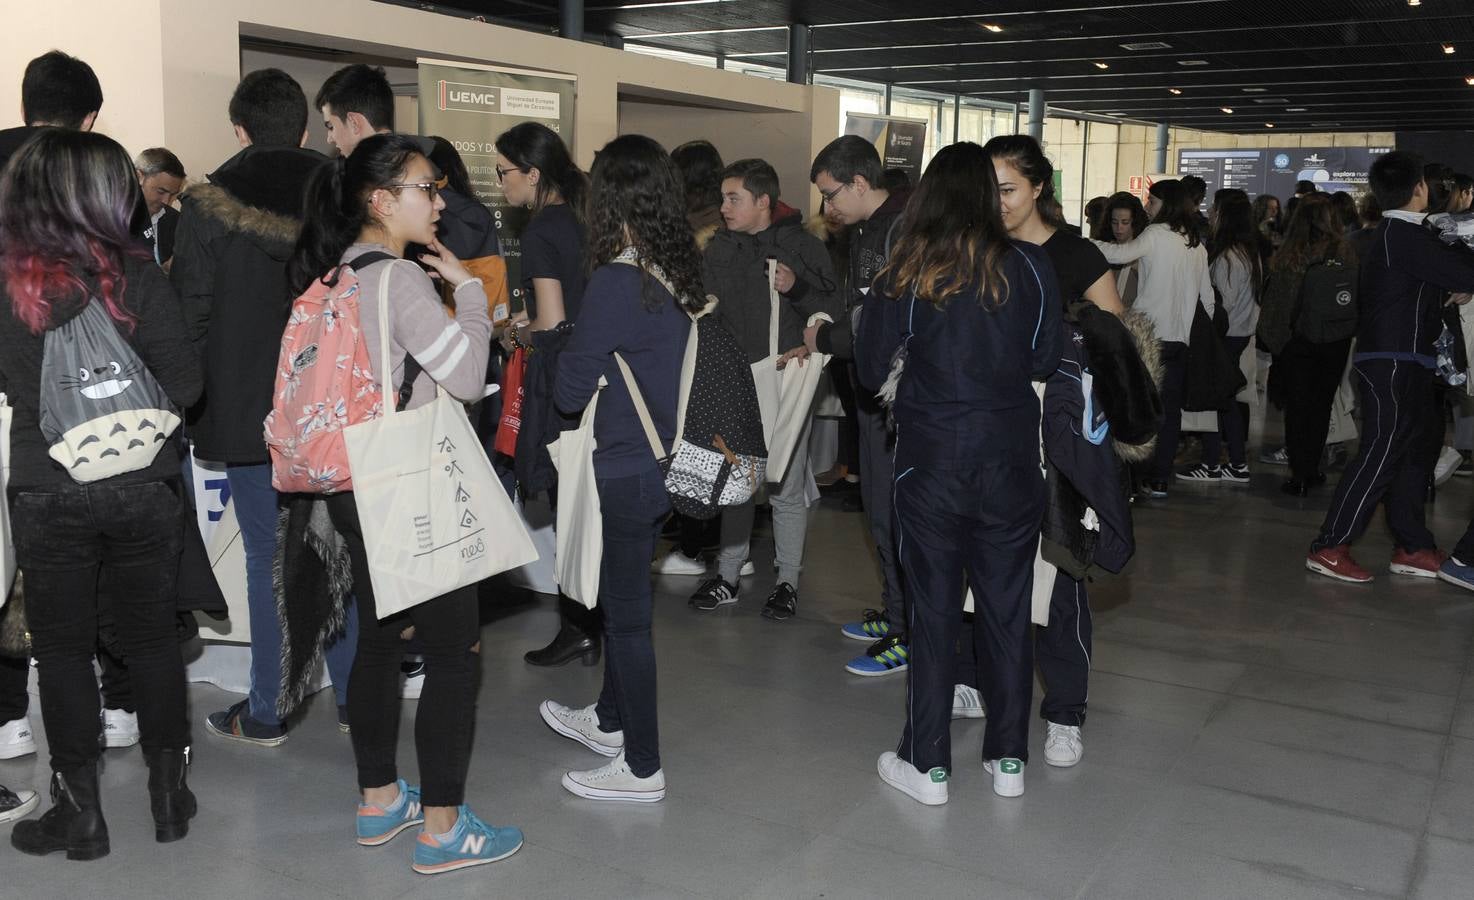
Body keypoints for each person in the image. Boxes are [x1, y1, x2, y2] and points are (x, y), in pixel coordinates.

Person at [286, 133, 519, 873]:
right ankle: (445, 828)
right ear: (382, 200)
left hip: (351, 478)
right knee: (455, 653)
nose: (441, 200)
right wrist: (475, 297)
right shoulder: (400, 281)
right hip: (410, 477)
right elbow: (465, 374)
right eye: (429, 187)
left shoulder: (336, 273)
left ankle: (380, 799)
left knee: (381, 642)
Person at [2, 128, 203, 859]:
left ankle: (80, 812)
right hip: (143, 486)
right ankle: (169, 795)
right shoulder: (140, 275)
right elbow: (186, 385)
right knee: (151, 640)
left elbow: (19, 391)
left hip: (47, 489)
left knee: (60, 653)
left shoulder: (9, 287)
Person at [856, 141, 1062, 804]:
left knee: (933, 615)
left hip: (930, 465)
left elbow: (866, 371)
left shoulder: (904, 271)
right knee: (1007, 614)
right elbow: (1043, 359)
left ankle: (928, 763)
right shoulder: (1030, 266)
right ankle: (1008, 762)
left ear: (929, 196)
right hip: (1010, 464)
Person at [172, 69, 359, 746]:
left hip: (248, 409)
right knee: (336, 553)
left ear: (240, 130)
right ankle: (355, 699)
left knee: (265, 560)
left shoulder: (207, 205)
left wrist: (186, 400)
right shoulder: (345, 196)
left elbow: (191, 309)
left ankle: (266, 710)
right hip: (334, 408)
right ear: (305, 130)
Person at [538, 133, 698, 803]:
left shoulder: (613, 281)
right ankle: (608, 720)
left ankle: (641, 766)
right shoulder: (674, 270)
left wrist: (569, 346)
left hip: (629, 468)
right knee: (621, 598)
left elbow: (570, 392)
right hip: (665, 461)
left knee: (628, 620)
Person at [0, 49, 103, 767]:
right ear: (89, 116)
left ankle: (7, 719)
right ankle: (113, 702)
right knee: (88, 549)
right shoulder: (93, 170)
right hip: (78, 390)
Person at [1306, 151, 1474, 583]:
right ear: (1419, 188)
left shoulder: (1400, 235)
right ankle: (1330, 544)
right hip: (1393, 361)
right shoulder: (1406, 235)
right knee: (1381, 453)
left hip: (1407, 359)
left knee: (1411, 457)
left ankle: (1413, 545)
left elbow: (1426, 284)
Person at [693, 158, 840, 621]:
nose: (723, 208)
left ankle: (788, 581)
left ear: (763, 202)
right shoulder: (718, 248)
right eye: (722, 198)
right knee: (737, 480)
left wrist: (796, 291)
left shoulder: (802, 247)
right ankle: (728, 575)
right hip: (734, 380)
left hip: (784, 379)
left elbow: (832, 309)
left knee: (785, 483)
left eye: (733, 198)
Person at [491, 122, 599, 667]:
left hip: (561, 382)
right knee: (590, 507)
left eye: (504, 171)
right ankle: (589, 625)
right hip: (601, 375)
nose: (500, 182)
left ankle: (577, 626)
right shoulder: (586, 221)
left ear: (533, 174)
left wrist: (514, 331)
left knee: (565, 504)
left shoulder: (540, 233)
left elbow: (553, 325)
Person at [805, 135, 912, 675]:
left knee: (897, 512)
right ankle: (896, 610)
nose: (827, 208)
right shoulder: (869, 230)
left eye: (830, 195)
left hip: (896, 392)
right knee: (877, 508)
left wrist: (827, 339)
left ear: (861, 183)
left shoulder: (901, 229)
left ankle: (909, 628)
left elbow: (884, 317)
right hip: (869, 389)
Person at [1093, 179, 1216, 498]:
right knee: (1170, 411)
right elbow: (1208, 298)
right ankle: (1160, 477)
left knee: (1139, 405)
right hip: (1180, 340)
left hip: (1148, 336)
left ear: (1167, 204)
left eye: (1152, 202)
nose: (1146, 207)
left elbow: (1120, 254)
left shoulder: (1156, 235)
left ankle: (1136, 476)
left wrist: (1083, 243)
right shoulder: (1196, 245)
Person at [655, 139, 728, 577]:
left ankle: (695, 546)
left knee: (693, 446)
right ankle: (716, 540)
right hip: (722, 352)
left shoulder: (691, 231)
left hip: (694, 351)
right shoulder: (723, 224)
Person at [1258, 194, 1355, 496]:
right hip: (1335, 340)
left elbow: (1276, 307)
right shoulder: (1346, 252)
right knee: (1321, 406)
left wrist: (1276, 344)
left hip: (1297, 344)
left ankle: (1299, 473)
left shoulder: (1289, 256)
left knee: (1297, 409)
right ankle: (1312, 468)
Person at [1179, 192, 1260, 484]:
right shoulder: (1247, 253)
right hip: (1239, 335)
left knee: (1217, 401)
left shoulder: (1227, 257)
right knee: (1225, 402)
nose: (1210, 213)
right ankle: (1232, 462)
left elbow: (1219, 304)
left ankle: (1216, 463)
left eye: (1216, 210)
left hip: (1224, 337)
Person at [1093, 191, 1149, 306]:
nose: (1119, 228)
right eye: (1114, 222)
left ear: (1135, 222)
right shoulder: (1105, 249)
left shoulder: (1144, 253)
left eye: (1125, 222)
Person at [134, 148, 185, 268]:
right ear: (138, 177)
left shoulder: (176, 220)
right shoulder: (115, 221)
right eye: (161, 191)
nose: (166, 201)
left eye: (173, 195)